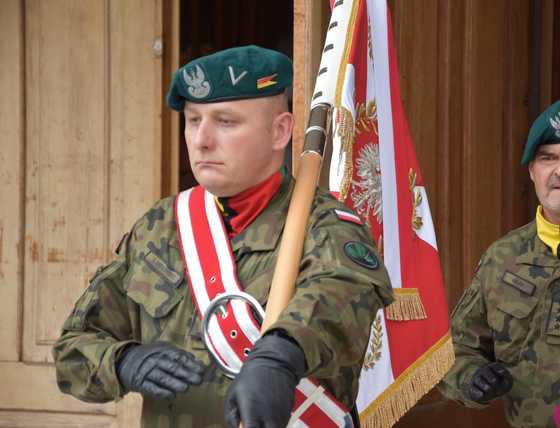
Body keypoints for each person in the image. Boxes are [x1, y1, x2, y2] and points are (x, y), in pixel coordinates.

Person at [53, 45, 394, 428]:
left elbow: (339, 296)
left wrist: (280, 355)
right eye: (193, 120)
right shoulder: (160, 226)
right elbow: (72, 348)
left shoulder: (325, 227)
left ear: (279, 131)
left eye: (226, 122)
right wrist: (122, 361)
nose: (201, 140)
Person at [439, 94, 560, 427]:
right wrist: (471, 378)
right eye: (548, 158)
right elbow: (455, 348)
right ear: (533, 170)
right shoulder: (502, 257)